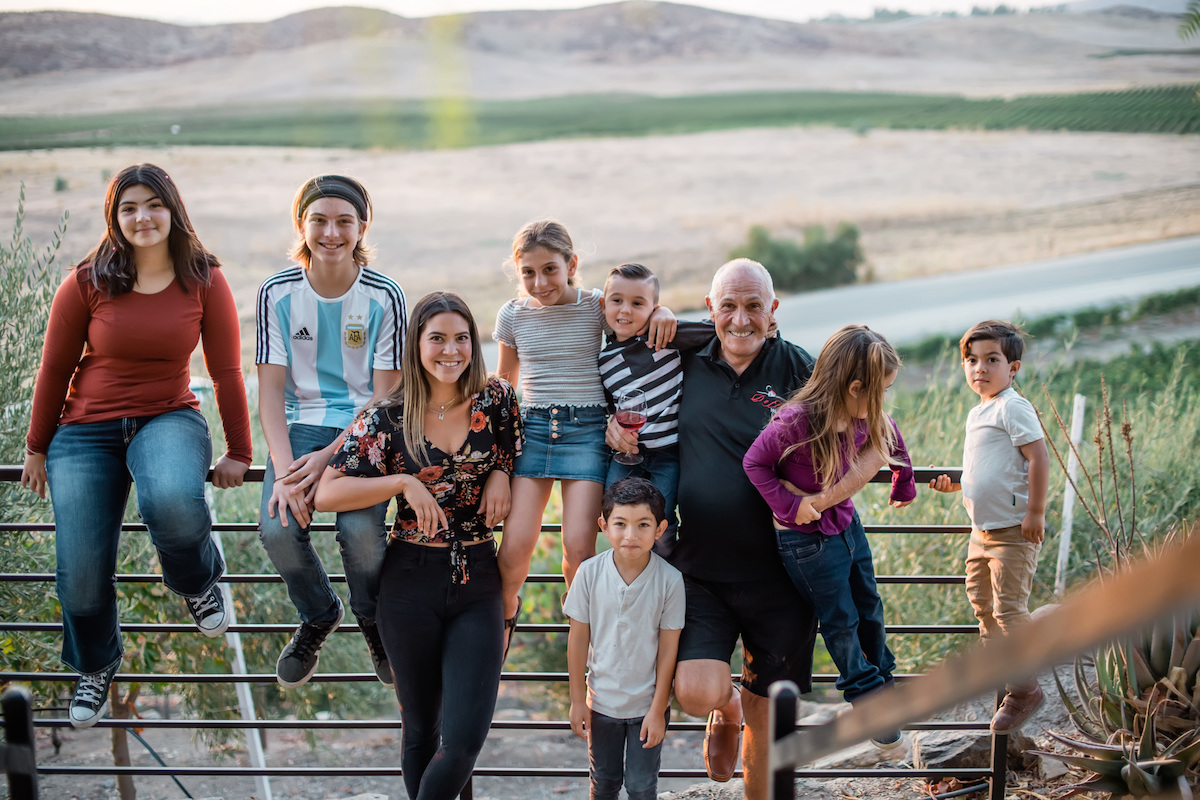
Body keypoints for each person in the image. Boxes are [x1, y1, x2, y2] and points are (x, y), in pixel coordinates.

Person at [607, 258, 887, 800]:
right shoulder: (682, 357)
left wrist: (827, 499)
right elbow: (619, 360)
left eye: (754, 306)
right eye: (727, 306)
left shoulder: (804, 371)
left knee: (772, 716)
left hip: (786, 573)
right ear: (710, 308)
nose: (740, 320)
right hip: (702, 568)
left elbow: (871, 431)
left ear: (773, 311)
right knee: (693, 691)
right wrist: (610, 427)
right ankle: (725, 710)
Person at [20, 163, 252, 729]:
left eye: (153, 204)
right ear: (114, 217)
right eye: (129, 208)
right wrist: (36, 446)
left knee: (172, 500)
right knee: (78, 569)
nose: (142, 217)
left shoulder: (205, 279)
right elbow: (53, 370)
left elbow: (225, 372)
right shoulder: (86, 281)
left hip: (167, 417)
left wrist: (240, 452)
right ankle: (96, 665)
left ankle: (199, 582)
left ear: (172, 209)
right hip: (84, 431)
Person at [315, 291, 522, 800]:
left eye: (460, 339)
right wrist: (402, 484)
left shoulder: (497, 400)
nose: (450, 350)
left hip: (478, 578)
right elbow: (327, 492)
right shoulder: (389, 415)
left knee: (466, 739)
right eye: (437, 339)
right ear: (417, 344)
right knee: (422, 732)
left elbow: (518, 453)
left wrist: (499, 470)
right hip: (409, 580)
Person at [493, 220, 674, 656]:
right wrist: (497, 462)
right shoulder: (512, 315)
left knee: (579, 547)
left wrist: (664, 313)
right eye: (529, 273)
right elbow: (503, 385)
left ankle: (585, 636)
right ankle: (500, 621)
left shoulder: (597, 305)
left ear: (571, 264)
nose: (540, 282)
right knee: (515, 547)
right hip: (533, 433)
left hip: (587, 432)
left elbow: (633, 314)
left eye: (550, 270)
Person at [255, 174, 406, 688]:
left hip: (364, 431)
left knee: (362, 533)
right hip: (298, 426)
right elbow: (271, 392)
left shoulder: (385, 296)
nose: (331, 232)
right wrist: (283, 471)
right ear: (302, 224)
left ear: (363, 227)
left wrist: (328, 459)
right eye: (319, 219)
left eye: (345, 220)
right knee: (277, 527)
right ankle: (319, 613)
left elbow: (384, 398)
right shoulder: (277, 292)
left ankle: (372, 619)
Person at [742, 324, 916, 748]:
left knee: (870, 605)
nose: (883, 401)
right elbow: (754, 463)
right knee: (841, 620)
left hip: (848, 527)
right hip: (806, 543)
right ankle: (867, 698)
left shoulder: (864, 415)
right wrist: (789, 505)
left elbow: (890, 432)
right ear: (855, 387)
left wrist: (903, 480)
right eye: (881, 391)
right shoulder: (796, 422)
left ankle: (884, 681)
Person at [929, 319, 1049, 734]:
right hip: (981, 532)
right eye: (971, 360)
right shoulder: (978, 412)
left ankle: (1024, 688)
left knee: (1009, 609)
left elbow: (1037, 458)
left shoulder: (1013, 405)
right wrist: (956, 483)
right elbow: (986, 467)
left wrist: (1035, 512)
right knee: (982, 604)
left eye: (991, 360)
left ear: (1012, 368)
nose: (979, 368)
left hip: (1013, 530)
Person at [565, 477, 685, 800]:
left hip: (648, 706)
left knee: (642, 786)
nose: (630, 535)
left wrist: (658, 710)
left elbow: (668, 649)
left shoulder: (670, 581)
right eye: (621, 524)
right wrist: (577, 700)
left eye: (643, 525)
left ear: (660, 529)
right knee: (603, 783)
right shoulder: (588, 574)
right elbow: (577, 641)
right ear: (604, 525)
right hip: (600, 705)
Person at [598, 263, 713, 552]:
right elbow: (611, 408)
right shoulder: (603, 360)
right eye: (617, 301)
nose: (625, 311)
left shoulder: (665, 336)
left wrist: (666, 315)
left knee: (661, 519)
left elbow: (714, 331)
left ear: (653, 307)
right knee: (614, 510)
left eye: (638, 303)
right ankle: (627, 575)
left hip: (668, 454)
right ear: (604, 304)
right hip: (627, 453)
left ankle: (664, 578)